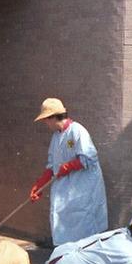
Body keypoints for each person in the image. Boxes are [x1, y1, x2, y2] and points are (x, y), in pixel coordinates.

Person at [29, 98, 108, 245]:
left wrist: (69, 166)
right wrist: (39, 185)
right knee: (62, 221)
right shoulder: (56, 137)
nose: (46, 124)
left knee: (83, 226)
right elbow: (52, 165)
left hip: (83, 189)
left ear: (53, 117)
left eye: (46, 120)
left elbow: (89, 158)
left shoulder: (77, 131)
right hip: (65, 191)